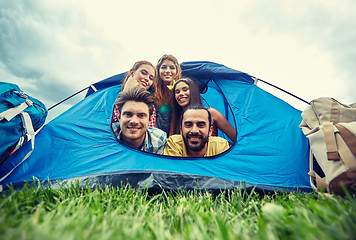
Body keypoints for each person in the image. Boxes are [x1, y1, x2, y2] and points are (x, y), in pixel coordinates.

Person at [170, 78, 237, 142]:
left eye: (185, 90)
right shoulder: (176, 117)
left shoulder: (211, 113)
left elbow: (237, 139)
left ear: (194, 91)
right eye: (177, 92)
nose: (181, 94)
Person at [112, 86, 167, 154]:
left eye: (141, 115)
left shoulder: (159, 140)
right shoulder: (106, 134)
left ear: (150, 119)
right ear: (119, 117)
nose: (134, 121)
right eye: (128, 114)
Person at [164, 105, 229, 157]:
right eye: (188, 125)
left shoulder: (220, 146)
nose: (194, 131)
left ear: (210, 131)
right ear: (181, 130)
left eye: (200, 125)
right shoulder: (174, 143)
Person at [112, 60, 157, 127]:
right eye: (144, 73)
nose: (147, 79)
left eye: (151, 78)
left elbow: (150, 130)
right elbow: (113, 123)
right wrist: (126, 91)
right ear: (132, 72)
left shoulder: (149, 104)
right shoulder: (111, 94)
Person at [153, 54, 182, 135]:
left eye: (172, 68)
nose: (168, 71)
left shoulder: (181, 92)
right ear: (158, 70)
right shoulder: (151, 92)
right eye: (163, 67)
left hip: (176, 134)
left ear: (177, 70)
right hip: (155, 135)